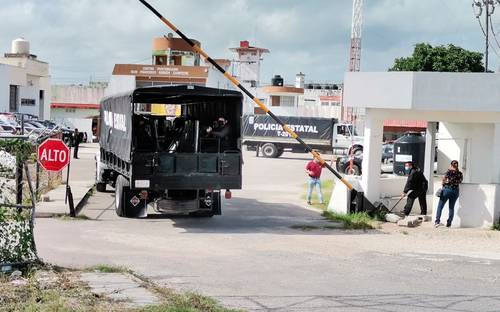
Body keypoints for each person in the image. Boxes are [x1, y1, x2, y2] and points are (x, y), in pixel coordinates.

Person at [435, 160, 463, 228]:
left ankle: (437, 222)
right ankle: (449, 223)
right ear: (457, 165)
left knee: (440, 206)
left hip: (447, 190)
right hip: (455, 191)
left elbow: (443, 180)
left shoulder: (448, 172)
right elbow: (460, 181)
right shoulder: (460, 173)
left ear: (451, 165)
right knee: (451, 207)